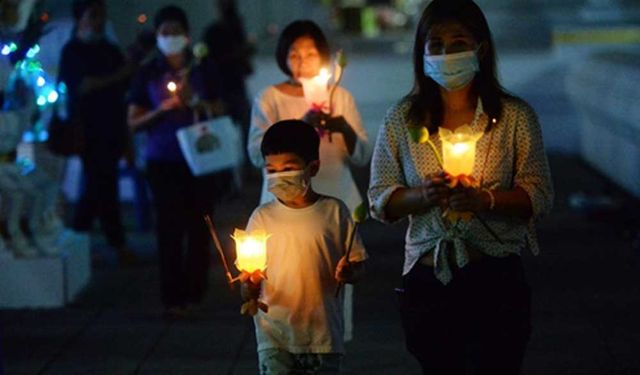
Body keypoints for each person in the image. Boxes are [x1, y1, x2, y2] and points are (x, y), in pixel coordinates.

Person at [368, 1, 554, 374]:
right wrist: (423, 195)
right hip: (427, 280)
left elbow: (539, 195)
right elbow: (379, 198)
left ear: (480, 48)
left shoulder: (514, 117)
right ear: (421, 52)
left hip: (495, 280)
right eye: (434, 45)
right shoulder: (403, 119)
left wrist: (484, 199)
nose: (445, 54)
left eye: (457, 43)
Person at [247, 19, 370, 341]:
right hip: (283, 207)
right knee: (283, 283)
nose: (302, 61)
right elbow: (255, 154)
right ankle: (280, 346)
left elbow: (362, 155)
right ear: (282, 57)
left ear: (324, 56)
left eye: (310, 53)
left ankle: (330, 348)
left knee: (335, 281)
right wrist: (300, 126)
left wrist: (342, 126)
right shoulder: (268, 99)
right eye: (294, 54)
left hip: (335, 201)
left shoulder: (339, 97)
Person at [243, 119, 367, 374]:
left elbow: (357, 265)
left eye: (288, 168)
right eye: (271, 170)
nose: (279, 177)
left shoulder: (335, 212)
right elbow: (248, 288)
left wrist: (349, 272)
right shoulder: (262, 217)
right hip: (274, 335)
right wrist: (249, 285)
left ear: (313, 168)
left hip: (322, 335)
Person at [127, 5, 227, 319]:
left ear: (187, 34)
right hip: (163, 159)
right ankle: (173, 296)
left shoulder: (203, 67)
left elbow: (221, 109)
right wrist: (165, 110)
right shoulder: (148, 70)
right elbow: (133, 121)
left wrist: (194, 102)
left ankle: (195, 291)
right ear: (156, 36)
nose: (170, 38)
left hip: (201, 158)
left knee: (200, 225)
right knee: (169, 227)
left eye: (175, 32)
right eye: (164, 32)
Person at [57, 0, 135, 265]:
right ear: (80, 18)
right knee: (99, 186)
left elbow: (125, 85)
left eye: (101, 15)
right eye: (93, 15)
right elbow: (83, 86)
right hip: (87, 129)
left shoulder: (109, 49)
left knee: (101, 185)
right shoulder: (72, 51)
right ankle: (101, 241)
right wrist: (119, 74)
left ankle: (83, 241)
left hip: (112, 126)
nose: (98, 21)